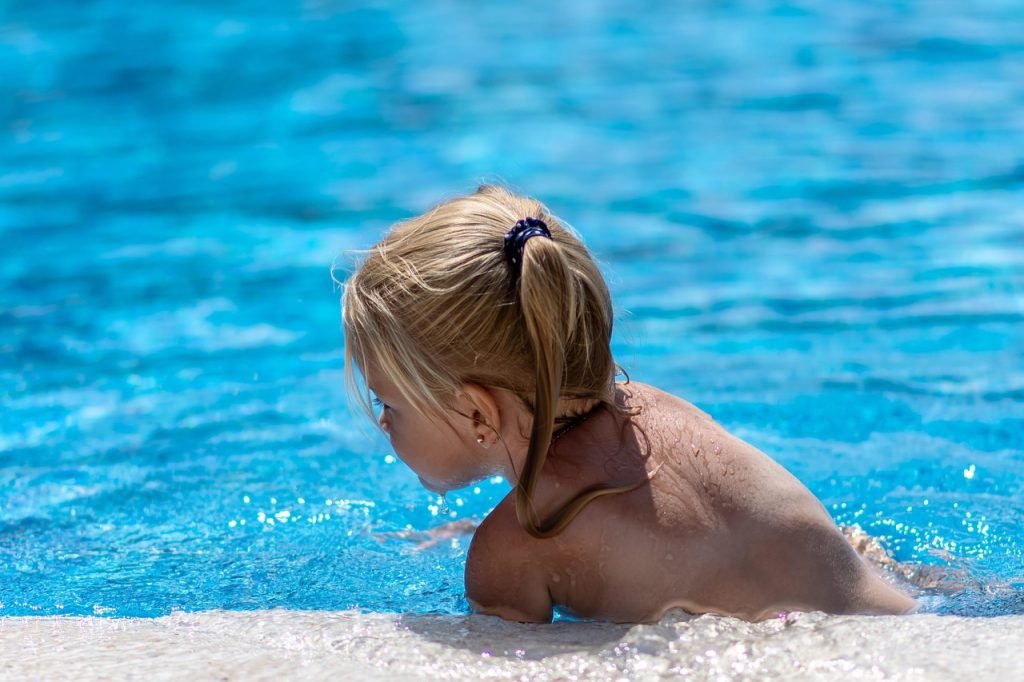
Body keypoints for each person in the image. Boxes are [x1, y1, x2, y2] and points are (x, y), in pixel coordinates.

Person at [341, 185, 917, 623]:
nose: (384, 422)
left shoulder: (510, 551)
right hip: (910, 616)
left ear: (477, 415)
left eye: (388, 403)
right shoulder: (658, 408)